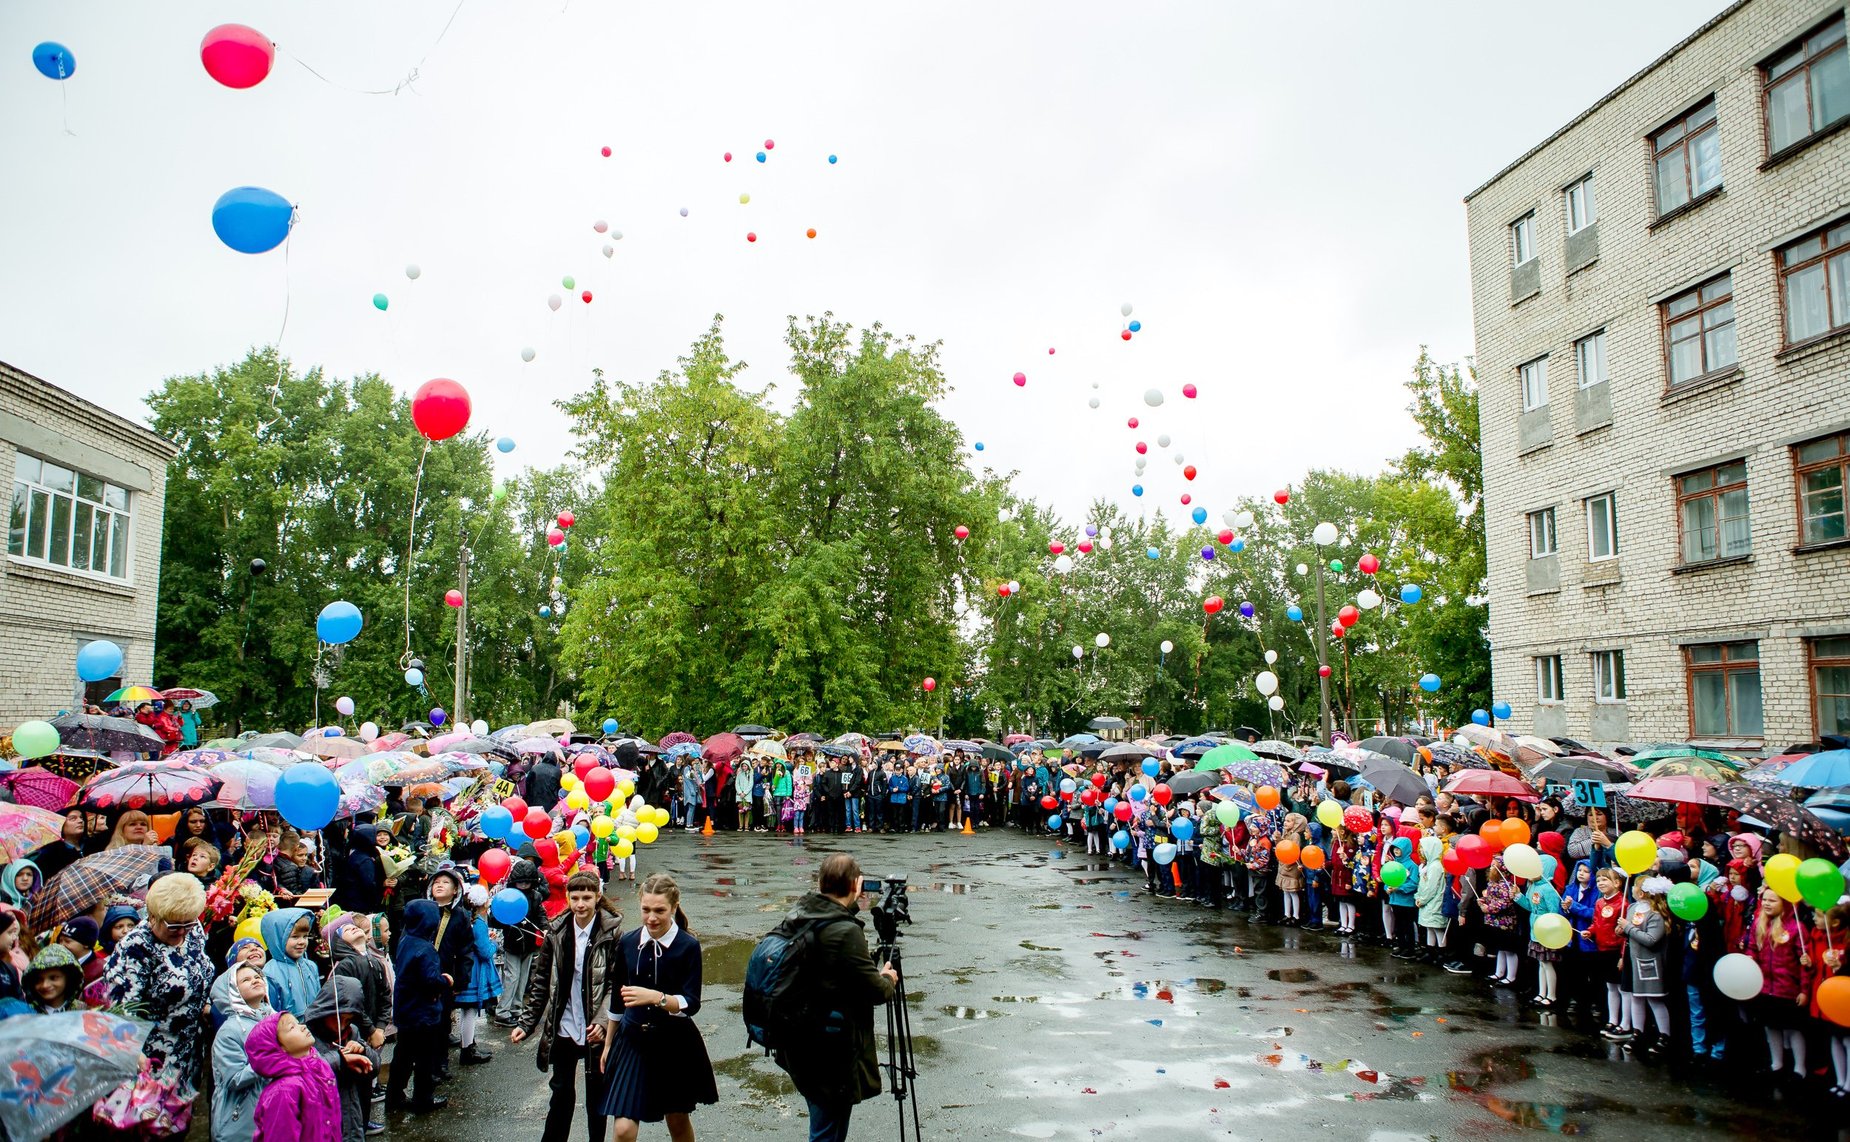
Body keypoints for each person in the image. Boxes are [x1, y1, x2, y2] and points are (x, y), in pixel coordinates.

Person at [777, 853, 899, 1142]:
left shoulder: (802, 914)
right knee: (827, 1132)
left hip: (799, 1040)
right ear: (856, 885)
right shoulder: (845, 931)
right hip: (829, 1050)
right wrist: (888, 977)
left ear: (821, 883)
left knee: (823, 1123)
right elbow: (877, 991)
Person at [596, 873, 717, 1140]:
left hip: (674, 1041)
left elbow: (691, 1004)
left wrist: (657, 998)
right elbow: (618, 998)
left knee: (677, 1119)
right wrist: (608, 1044)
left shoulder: (688, 945)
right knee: (623, 1128)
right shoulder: (628, 942)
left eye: (660, 911)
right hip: (632, 1040)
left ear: (674, 907)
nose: (652, 918)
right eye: (646, 910)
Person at [515, 871, 622, 1142]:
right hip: (563, 1023)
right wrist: (527, 1023)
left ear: (598, 897)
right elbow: (541, 981)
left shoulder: (612, 932)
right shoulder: (557, 930)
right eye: (575, 898)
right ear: (568, 898)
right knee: (561, 1091)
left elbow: (615, 983)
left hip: (593, 1028)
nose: (581, 904)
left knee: (597, 1097)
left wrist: (601, 1022)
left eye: (587, 897)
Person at [105, 873, 217, 1129]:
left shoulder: (193, 930)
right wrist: (131, 1050)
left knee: (180, 1123)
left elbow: (199, 970)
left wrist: (205, 1003)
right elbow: (121, 1008)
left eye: (188, 924)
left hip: (188, 1051)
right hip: (152, 1060)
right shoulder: (135, 949)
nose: (182, 932)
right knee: (152, 1128)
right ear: (152, 915)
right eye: (174, 926)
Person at [385, 899, 451, 1114]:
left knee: (402, 1055)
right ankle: (423, 1099)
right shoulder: (425, 949)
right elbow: (431, 980)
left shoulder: (405, 940)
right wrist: (446, 981)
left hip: (405, 1010)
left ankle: (394, 1096)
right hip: (422, 1012)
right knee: (424, 1058)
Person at [247, 1011, 343, 1142]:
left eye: (298, 1023)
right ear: (277, 1047)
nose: (303, 1027)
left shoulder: (320, 1070)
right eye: (292, 1027)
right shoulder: (284, 1091)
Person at [306, 975, 381, 1142]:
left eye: (348, 1019)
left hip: (354, 1116)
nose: (341, 1025)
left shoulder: (352, 1031)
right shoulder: (307, 1035)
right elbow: (304, 1070)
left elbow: (374, 1068)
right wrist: (340, 1060)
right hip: (324, 1120)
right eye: (337, 1017)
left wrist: (363, 1052)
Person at [212, 960, 274, 1142]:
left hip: (273, 1113)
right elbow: (234, 1078)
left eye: (257, 976)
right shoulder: (229, 1031)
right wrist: (272, 1057)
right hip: (241, 1121)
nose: (255, 980)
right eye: (246, 980)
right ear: (232, 990)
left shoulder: (275, 1019)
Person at [454, 884, 502, 1064]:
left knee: (468, 1011)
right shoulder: (479, 924)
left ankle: (468, 1044)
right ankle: (467, 1049)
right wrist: (494, 945)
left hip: (467, 967)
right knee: (470, 1011)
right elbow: (484, 951)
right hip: (475, 971)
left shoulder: (468, 920)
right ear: (484, 904)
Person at [262, 907, 323, 1020]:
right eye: (295, 937)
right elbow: (271, 1014)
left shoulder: (310, 966)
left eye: (305, 936)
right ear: (278, 938)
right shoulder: (270, 972)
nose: (301, 942)